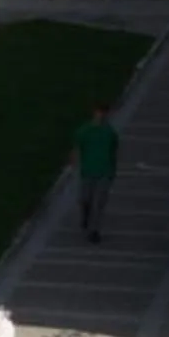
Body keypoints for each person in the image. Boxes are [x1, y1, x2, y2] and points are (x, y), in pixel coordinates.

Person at [71, 102, 120, 242]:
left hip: (105, 172)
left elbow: (113, 152)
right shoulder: (84, 131)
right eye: (99, 112)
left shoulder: (110, 133)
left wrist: (112, 171)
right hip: (88, 171)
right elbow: (77, 148)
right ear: (94, 113)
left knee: (99, 202)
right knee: (85, 199)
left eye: (104, 113)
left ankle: (94, 230)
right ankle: (86, 216)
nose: (101, 115)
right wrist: (74, 164)